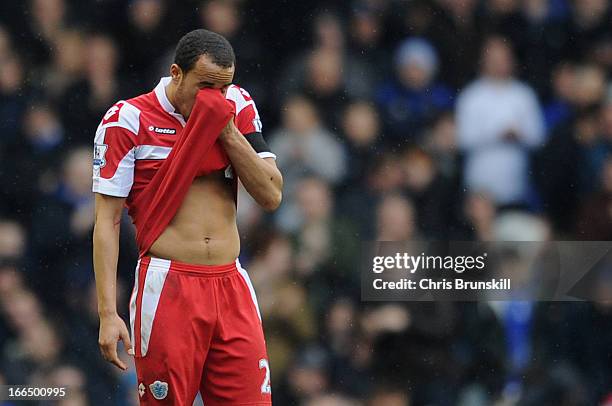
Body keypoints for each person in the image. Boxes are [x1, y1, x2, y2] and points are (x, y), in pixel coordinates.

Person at [92, 29, 282, 405]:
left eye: (223, 87)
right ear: (176, 73)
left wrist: (224, 129)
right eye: (205, 85)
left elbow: (271, 194)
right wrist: (107, 313)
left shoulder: (238, 105)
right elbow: (106, 222)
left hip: (231, 283)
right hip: (168, 286)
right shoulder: (128, 119)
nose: (216, 96)